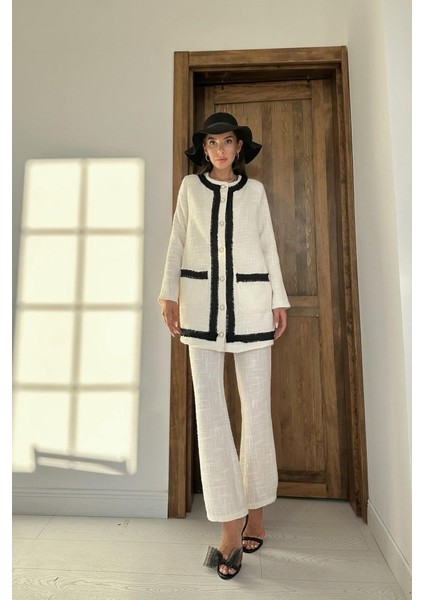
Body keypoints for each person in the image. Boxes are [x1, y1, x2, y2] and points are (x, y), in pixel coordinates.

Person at [158, 112, 290, 580]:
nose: (219, 149)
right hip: (200, 309)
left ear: (238, 148)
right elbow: (177, 239)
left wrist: (278, 298)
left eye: (227, 141)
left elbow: (268, 244)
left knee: (256, 410)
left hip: (252, 306)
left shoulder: (255, 193)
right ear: (204, 149)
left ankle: (257, 509)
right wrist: (168, 293)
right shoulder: (190, 189)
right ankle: (230, 526)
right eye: (212, 143)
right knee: (210, 414)